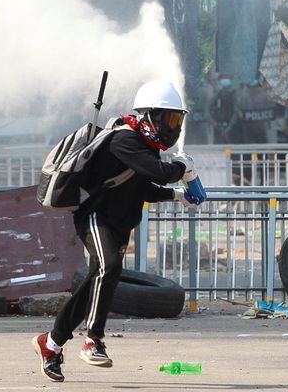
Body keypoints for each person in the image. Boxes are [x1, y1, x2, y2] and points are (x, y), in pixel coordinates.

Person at [31, 81, 201, 382]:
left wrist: (177, 195)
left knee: (97, 284)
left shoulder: (144, 148)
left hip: (120, 223)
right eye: (168, 119)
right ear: (148, 116)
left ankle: (52, 343)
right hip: (96, 217)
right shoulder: (125, 139)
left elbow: (142, 186)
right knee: (109, 267)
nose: (172, 126)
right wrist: (182, 167)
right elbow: (159, 173)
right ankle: (93, 340)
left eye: (177, 119)